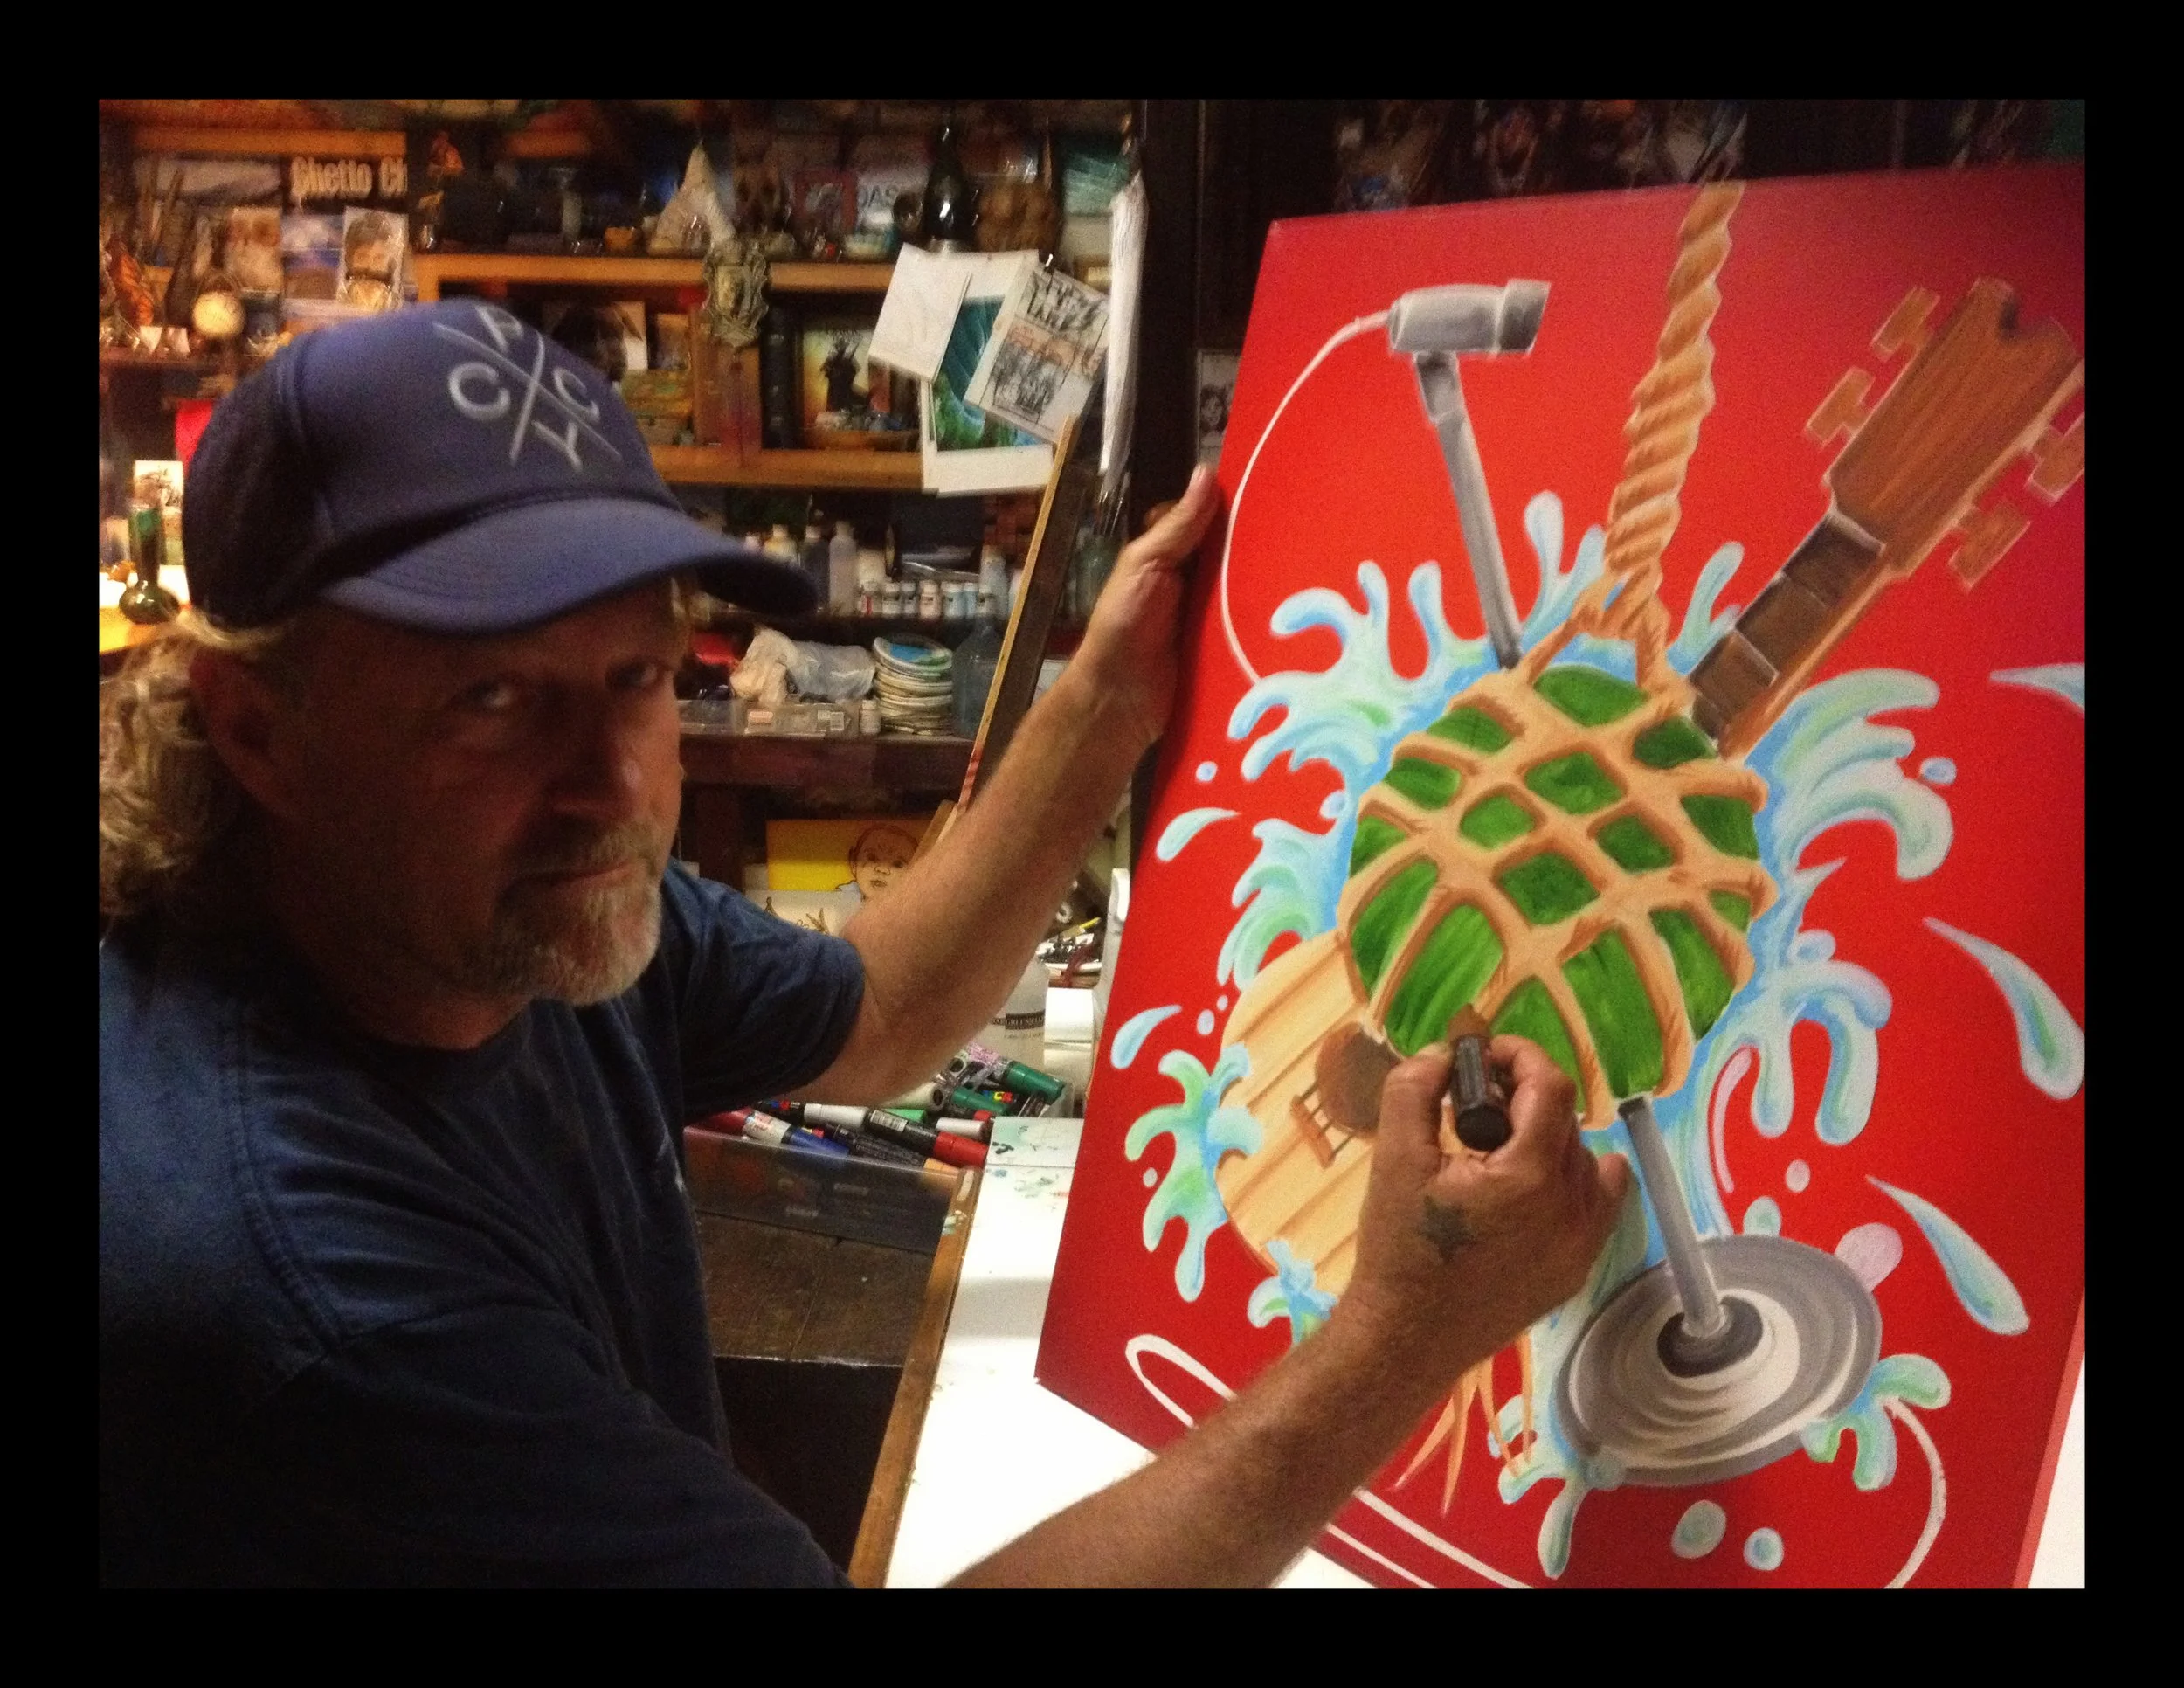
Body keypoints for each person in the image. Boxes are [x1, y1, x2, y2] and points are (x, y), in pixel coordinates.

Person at [100, 299, 1631, 1587]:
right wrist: (1393, 1344)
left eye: (638, 672)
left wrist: (1099, 708)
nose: (612, 786)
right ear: (258, 731)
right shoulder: (297, 1279)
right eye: (491, 699)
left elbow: (884, 1009)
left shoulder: (508, 922)